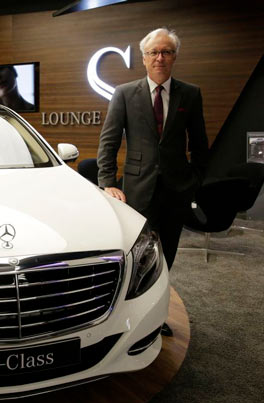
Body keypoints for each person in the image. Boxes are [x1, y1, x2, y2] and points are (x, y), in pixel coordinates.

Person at [97, 28, 209, 334]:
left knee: (166, 255)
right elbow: (109, 141)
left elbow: (200, 143)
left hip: (176, 189)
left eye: (166, 52)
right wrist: (108, 182)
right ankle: (128, 319)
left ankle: (157, 318)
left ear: (174, 57)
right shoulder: (124, 93)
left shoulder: (190, 94)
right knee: (137, 256)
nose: (160, 58)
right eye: (154, 52)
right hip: (137, 190)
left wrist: (195, 179)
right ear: (144, 58)